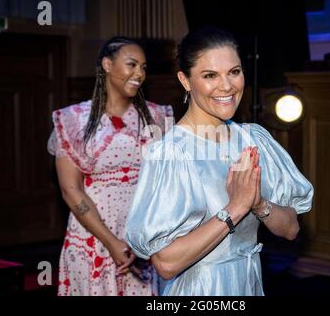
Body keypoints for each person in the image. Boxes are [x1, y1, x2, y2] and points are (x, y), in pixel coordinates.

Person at [124, 27, 313, 296]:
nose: (226, 86)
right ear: (185, 80)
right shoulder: (171, 153)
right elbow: (165, 263)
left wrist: (259, 203)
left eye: (234, 72)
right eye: (210, 75)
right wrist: (235, 208)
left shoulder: (254, 139)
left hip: (249, 284)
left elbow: (292, 229)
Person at [47, 36, 173, 296]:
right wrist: (112, 243)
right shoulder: (73, 120)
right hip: (94, 235)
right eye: (131, 64)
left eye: (144, 67)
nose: (139, 73)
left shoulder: (158, 117)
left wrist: (150, 235)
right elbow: (71, 190)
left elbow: (166, 181)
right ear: (107, 64)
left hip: (141, 235)